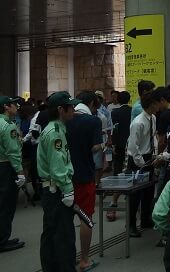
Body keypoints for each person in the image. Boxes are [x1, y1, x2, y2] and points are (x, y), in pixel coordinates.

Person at [38, 91, 80, 272]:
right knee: (64, 236)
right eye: (71, 107)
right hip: (57, 190)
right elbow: (58, 166)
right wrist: (68, 189)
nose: (74, 110)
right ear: (61, 110)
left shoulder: (55, 129)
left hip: (51, 190)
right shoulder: (55, 133)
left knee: (51, 233)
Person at [66, 91, 103, 271]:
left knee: (66, 219)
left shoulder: (64, 121)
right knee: (85, 217)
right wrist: (100, 145)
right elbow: (95, 147)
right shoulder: (93, 121)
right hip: (84, 176)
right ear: (92, 104)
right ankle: (84, 260)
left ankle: (67, 258)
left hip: (64, 177)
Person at [126, 88, 162, 237]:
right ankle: (131, 224)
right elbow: (133, 147)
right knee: (135, 194)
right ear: (152, 104)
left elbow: (153, 137)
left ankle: (145, 218)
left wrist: (154, 156)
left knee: (148, 191)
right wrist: (141, 163)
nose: (160, 105)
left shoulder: (152, 118)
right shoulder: (138, 122)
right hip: (137, 159)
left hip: (148, 156)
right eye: (158, 102)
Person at [0, 96, 25, 252]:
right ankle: (2, 240)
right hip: (6, 167)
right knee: (7, 205)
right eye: (13, 104)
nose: (16, 106)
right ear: (6, 107)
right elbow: (13, 152)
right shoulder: (8, 125)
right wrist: (20, 172)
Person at [106, 90, 132, 221]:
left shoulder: (115, 112)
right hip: (131, 145)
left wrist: (114, 144)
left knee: (117, 171)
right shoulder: (133, 111)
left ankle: (113, 203)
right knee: (129, 171)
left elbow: (114, 129)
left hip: (120, 145)